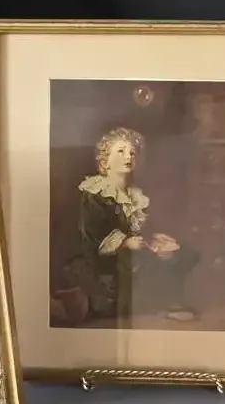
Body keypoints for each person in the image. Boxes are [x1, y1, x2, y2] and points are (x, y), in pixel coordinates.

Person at [73, 127, 199, 325]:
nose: (128, 157)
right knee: (145, 266)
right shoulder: (96, 194)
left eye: (132, 153)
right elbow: (92, 237)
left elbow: (136, 228)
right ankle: (161, 304)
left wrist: (155, 239)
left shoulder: (135, 194)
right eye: (120, 151)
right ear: (105, 161)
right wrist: (125, 243)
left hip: (132, 251)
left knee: (181, 251)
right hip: (104, 260)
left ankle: (170, 301)